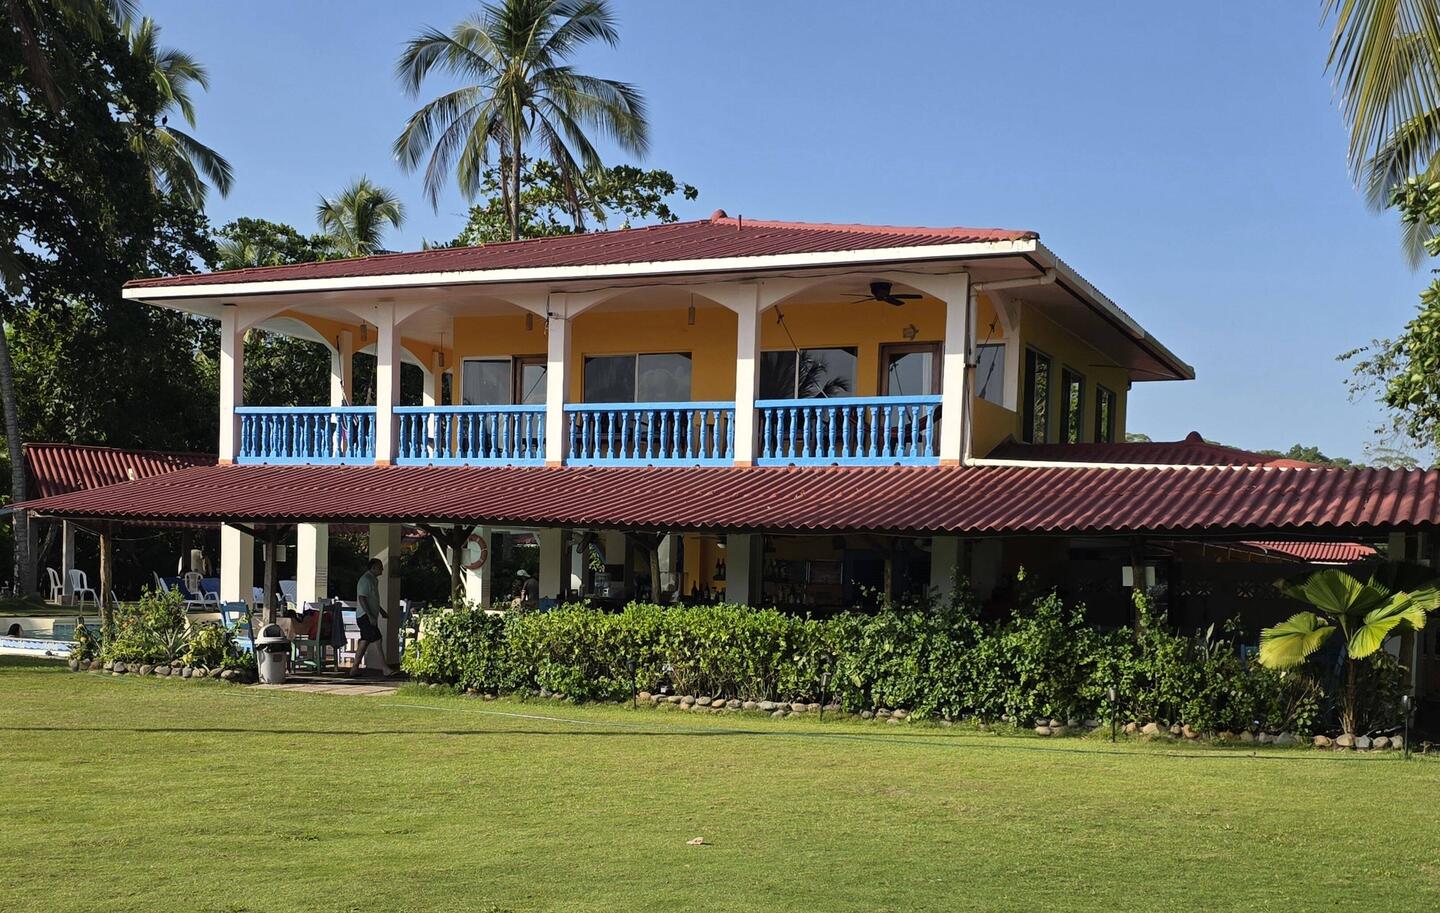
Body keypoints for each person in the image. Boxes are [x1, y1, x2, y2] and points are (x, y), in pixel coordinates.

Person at [351, 558, 394, 677]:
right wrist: (370, 615)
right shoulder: (366, 580)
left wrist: (381, 611)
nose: (382, 569)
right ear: (373, 568)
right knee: (377, 639)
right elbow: (362, 598)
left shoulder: (373, 580)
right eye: (380, 567)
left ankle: (354, 668)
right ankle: (385, 668)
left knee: (365, 641)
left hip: (368, 615)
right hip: (364, 616)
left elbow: (372, 599)